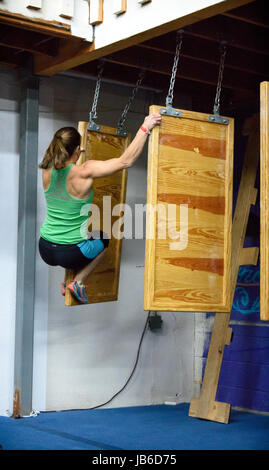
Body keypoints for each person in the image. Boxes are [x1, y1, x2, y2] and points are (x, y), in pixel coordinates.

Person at [38, 112, 162, 304]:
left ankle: (68, 279)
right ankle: (78, 281)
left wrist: (76, 154)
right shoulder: (85, 171)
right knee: (103, 238)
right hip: (71, 253)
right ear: (77, 150)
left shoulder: (47, 170)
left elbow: (64, 168)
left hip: (45, 248)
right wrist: (146, 126)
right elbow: (125, 161)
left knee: (82, 235)